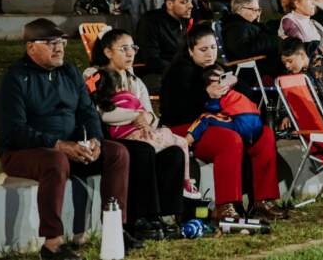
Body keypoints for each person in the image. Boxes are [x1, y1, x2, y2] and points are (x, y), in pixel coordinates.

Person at [0, 19, 136, 259]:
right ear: (31, 48)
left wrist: (94, 140)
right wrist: (58, 144)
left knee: (117, 153)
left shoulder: (69, 72)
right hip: (23, 152)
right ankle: (52, 243)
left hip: (71, 148)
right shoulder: (16, 79)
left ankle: (115, 227)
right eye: (50, 43)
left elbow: (88, 112)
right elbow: (15, 130)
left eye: (60, 42)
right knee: (55, 161)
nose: (58, 48)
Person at [160, 25, 286, 223]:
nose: (210, 53)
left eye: (213, 47)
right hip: (185, 127)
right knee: (230, 140)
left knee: (265, 134)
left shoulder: (219, 67)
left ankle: (262, 201)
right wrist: (205, 95)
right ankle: (227, 205)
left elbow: (245, 93)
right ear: (190, 50)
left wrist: (234, 83)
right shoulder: (178, 72)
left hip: (220, 122)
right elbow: (174, 111)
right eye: (203, 49)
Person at [86, 28, 191, 240]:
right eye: (123, 49)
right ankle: (142, 217)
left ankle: (164, 216)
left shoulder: (136, 81)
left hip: (139, 132)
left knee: (173, 153)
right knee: (142, 152)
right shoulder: (95, 76)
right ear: (107, 52)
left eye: (132, 48)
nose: (130, 53)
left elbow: (150, 114)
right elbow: (100, 111)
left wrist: (146, 119)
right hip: (110, 136)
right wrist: (134, 116)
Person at [134, 0, 193, 92]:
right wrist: (182, 70)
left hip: (178, 71)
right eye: (184, 2)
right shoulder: (150, 21)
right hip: (152, 74)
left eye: (190, 1)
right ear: (170, 4)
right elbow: (151, 59)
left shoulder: (183, 20)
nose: (191, 5)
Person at [186, 64, 263, 145]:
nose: (221, 83)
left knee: (205, 117)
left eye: (221, 79)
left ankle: (186, 142)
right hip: (257, 124)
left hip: (242, 123)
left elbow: (213, 109)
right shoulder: (234, 91)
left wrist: (212, 97)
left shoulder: (222, 93)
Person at [279, 37, 323, 121]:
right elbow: (286, 100)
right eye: (284, 63)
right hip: (309, 118)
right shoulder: (289, 77)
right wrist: (286, 116)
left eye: (290, 61)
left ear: (302, 55)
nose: (287, 66)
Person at [220, 0, 282, 74]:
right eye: (253, 9)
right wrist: (272, 40)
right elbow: (244, 51)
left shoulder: (243, 24)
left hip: (259, 63)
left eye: (258, 10)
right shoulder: (235, 27)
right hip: (251, 68)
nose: (257, 14)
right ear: (239, 9)